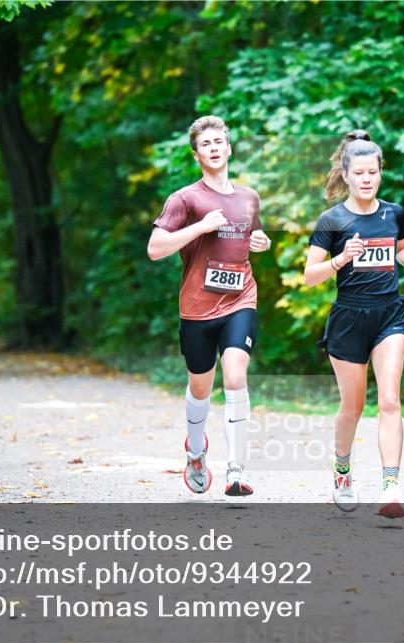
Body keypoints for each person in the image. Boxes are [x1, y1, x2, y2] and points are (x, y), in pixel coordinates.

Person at [147, 115, 271, 497]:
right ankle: (196, 450)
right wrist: (199, 227)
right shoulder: (185, 199)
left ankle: (237, 470)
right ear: (197, 154)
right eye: (206, 144)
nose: (214, 148)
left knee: (235, 375)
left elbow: (251, 233)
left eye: (220, 141)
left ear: (229, 148)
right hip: (197, 308)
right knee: (201, 387)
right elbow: (155, 250)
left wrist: (259, 240)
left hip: (240, 299)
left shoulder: (249, 197)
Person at [303, 130, 404, 518]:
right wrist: (341, 259)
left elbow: (402, 247)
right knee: (352, 407)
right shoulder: (333, 219)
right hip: (349, 318)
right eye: (359, 173)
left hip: (389, 313)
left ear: (380, 173)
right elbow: (309, 275)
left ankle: (391, 485)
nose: (367, 179)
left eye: (373, 172)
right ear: (347, 174)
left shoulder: (395, 213)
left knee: (390, 398)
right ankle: (342, 471)